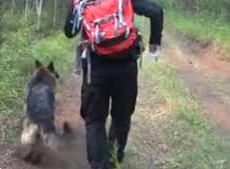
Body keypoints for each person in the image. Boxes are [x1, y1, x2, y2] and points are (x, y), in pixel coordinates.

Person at [64, 0, 164, 169]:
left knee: (94, 119)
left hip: (95, 68)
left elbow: (69, 32)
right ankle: (115, 157)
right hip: (126, 67)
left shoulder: (82, 2)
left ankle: (99, 165)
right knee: (122, 116)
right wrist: (154, 46)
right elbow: (156, 11)